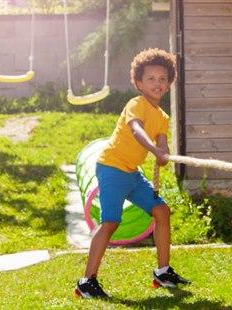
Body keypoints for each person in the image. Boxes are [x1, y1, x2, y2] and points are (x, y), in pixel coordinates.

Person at [75, 48, 190, 299]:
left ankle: (162, 272)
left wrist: (163, 155)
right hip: (112, 169)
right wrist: (154, 149)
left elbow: (162, 144)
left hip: (131, 173)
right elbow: (137, 130)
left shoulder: (161, 116)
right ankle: (86, 281)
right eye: (151, 79)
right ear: (139, 82)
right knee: (111, 222)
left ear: (169, 83)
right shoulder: (135, 104)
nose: (157, 83)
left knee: (161, 210)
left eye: (162, 79)